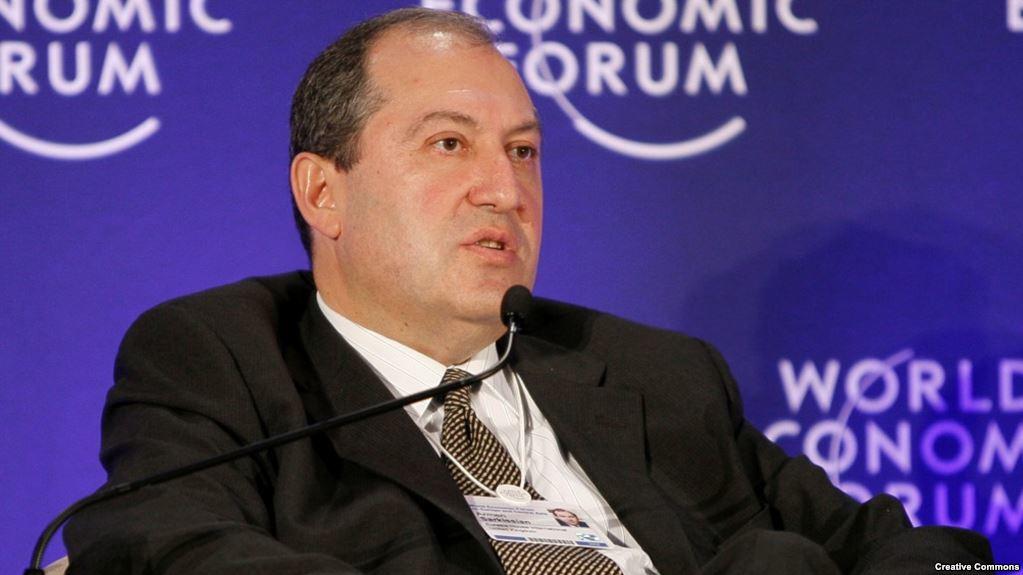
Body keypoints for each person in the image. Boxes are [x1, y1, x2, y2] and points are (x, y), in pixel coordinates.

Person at [65, 7, 992, 575]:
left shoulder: (652, 373)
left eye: (523, 151)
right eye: (448, 144)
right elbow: (158, 541)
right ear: (323, 192)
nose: (504, 189)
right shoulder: (222, 356)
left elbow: (920, 550)